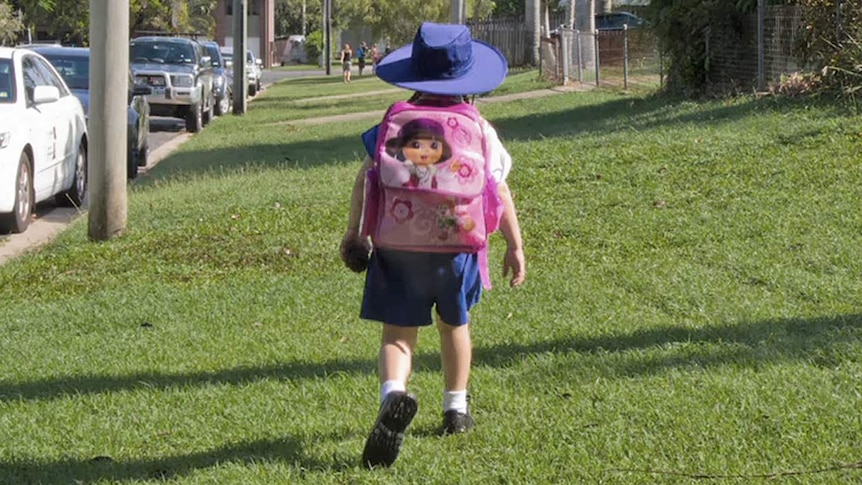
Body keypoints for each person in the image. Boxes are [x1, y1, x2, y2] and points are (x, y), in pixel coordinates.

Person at [340, 22, 526, 469]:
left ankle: (393, 396)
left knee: (398, 335)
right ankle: (456, 409)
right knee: (453, 326)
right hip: (456, 249)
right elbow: (498, 192)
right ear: (469, 81)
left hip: (396, 248)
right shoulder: (480, 128)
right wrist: (515, 246)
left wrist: (354, 234)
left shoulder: (392, 124)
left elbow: (364, 181)